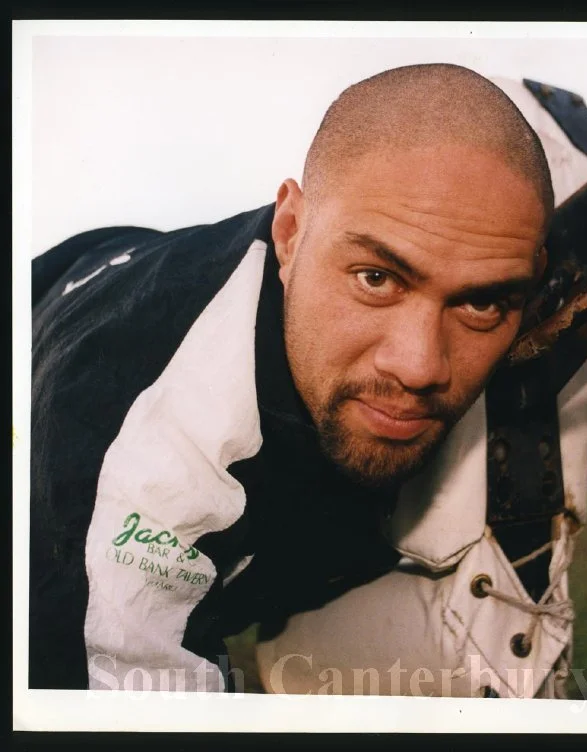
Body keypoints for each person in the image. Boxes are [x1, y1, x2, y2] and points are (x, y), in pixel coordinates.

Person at [29, 63, 557, 692]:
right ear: (290, 234)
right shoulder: (146, 448)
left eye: (482, 302)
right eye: (376, 279)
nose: (420, 367)